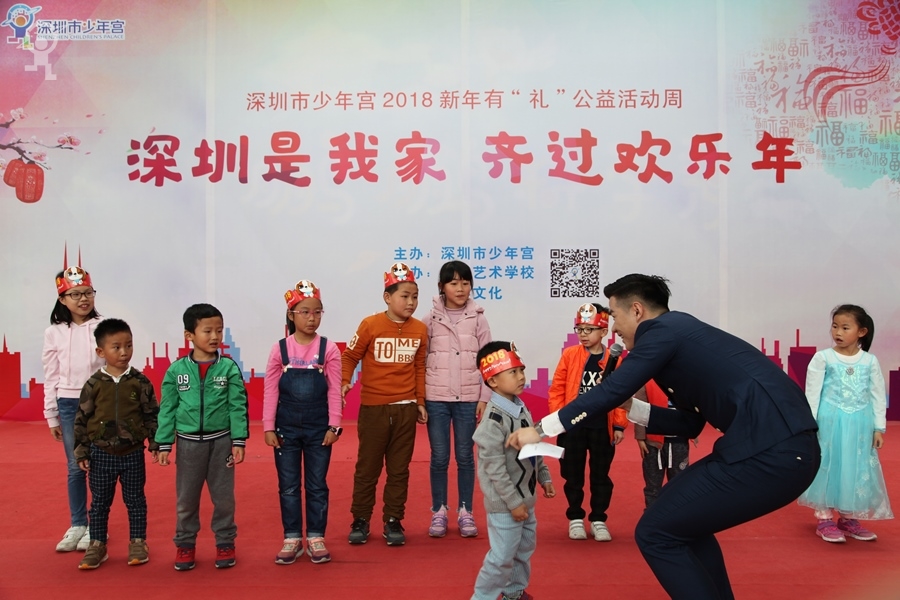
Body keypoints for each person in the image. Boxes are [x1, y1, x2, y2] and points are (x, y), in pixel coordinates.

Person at [507, 274, 820, 600]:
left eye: (615, 316)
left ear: (637, 310)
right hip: (775, 448)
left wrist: (540, 429)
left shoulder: (662, 332)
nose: (614, 328)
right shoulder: (678, 336)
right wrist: (632, 408)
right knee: (682, 521)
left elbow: (612, 390)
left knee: (655, 531)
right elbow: (690, 423)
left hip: (772, 450)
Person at [156, 303, 249, 571]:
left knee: (224, 499)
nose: (215, 336)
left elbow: (237, 406)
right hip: (187, 445)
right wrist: (164, 443)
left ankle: (225, 542)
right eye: (207, 331)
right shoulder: (176, 371)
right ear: (189, 335)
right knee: (186, 500)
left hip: (222, 444)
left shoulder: (228, 368)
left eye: (219, 330)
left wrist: (239, 440)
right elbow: (167, 409)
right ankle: (185, 544)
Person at [341, 262, 428, 547]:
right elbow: (349, 356)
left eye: (415, 296)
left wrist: (420, 401)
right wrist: (344, 381)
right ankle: (360, 519)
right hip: (374, 409)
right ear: (387, 297)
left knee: (399, 470)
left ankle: (393, 519)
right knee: (367, 468)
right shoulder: (370, 324)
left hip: (406, 409)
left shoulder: (420, 330)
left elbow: (419, 367)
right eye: (405, 296)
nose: (411, 302)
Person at [263, 280, 343, 565]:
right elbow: (271, 390)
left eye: (317, 312)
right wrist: (268, 427)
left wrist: (334, 426)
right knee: (288, 485)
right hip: (285, 428)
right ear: (291, 315)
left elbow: (334, 389)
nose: (312, 318)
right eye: (305, 312)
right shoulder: (279, 350)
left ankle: (316, 537)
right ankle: (292, 537)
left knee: (317, 484)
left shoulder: (328, 349)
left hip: (318, 428)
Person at [798, 304, 893, 542]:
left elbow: (877, 395)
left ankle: (848, 517)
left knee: (855, 465)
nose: (838, 332)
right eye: (835, 326)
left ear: (862, 332)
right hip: (829, 422)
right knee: (829, 463)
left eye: (845, 327)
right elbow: (812, 394)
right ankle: (824, 518)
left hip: (861, 424)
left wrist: (878, 428)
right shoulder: (823, 358)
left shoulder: (869, 361)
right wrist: (810, 424)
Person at [471, 341, 555, 600]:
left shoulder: (522, 408)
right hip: (507, 505)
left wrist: (544, 476)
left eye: (521, 370)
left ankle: (514, 593)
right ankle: (482, 597)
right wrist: (514, 503)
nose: (521, 377)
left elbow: (533, 447)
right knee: (501, 557)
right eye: (513, 372)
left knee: (523, 551)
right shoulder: (493, 420)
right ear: (492, 381)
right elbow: (494, 469)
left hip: (525, 501)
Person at [73, 318, 159, 569]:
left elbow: (152, 415)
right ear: (101, 352)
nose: (124, 352)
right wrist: (82, 451)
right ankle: (97, 544)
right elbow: (82, 419)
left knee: (135, 500)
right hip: (100, 454)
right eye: (117, 347)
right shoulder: (93, 384)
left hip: (133, 453)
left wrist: (155, 443)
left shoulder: (140, 382)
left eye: (129, 345)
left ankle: (138, 542)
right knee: (99, 503)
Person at [424, 260, 492, 538]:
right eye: (454, 283)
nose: (461, 288)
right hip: (436, 398)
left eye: (465, 283)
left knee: (465, 457)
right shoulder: (429, 320)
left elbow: (488, 360)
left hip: (468, 398)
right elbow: (421, 360)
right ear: (441, 286)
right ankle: (439, 510)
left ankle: (466, 511)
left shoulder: (478, 318)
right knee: (439, 457)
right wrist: (420, 399)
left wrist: (484, 396)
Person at [548, 303, 626, 542]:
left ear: (603, 332)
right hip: (573, 426)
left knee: (601, 475)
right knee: (572, 474)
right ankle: (575, 517)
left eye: (589, 329)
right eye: (579, 329)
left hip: (602, 426)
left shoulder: (614, 359)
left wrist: (619, 425)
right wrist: (559, 419)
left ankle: (599, 519)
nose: (583, 334)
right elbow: (557, 388)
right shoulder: (570, 355)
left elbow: (622, 395)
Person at [43, 260, 104, 552]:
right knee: (74, 466)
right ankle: (78, 523)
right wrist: (51, 415)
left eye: (88, 293)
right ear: (62, 299)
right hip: (68, 404)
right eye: (75, 294)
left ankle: (97, 525)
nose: (83, 299)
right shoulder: (53, 332)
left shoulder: (104, 327)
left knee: (100, 464)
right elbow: (50, 374)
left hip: (100, 402)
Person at [634, 380, 691, 509]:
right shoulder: (648, 382)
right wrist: (640, 438)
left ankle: (677, 515)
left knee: (679, 485)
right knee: (652, 486)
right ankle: (651, 515)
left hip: (679, 442)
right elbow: (639, 409)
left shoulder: (684, 381)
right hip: (653, 443)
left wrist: (693, 431)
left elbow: (693, 407)